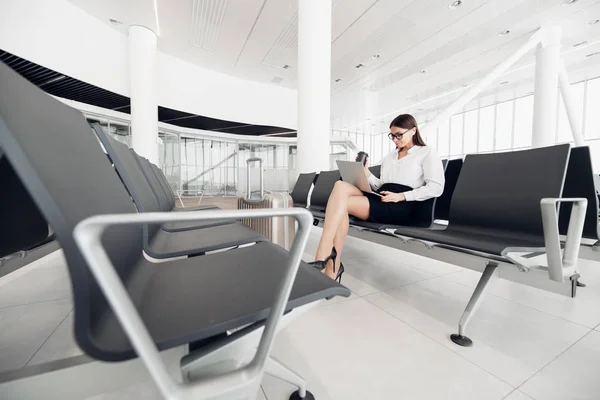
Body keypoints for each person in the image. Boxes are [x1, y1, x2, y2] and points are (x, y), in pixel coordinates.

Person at [309, 114, 445, 282]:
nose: (395, 139)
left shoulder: (426, 152)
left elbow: (436, 187)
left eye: (399, 135)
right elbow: (380, 185)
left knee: (340, 203)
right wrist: (365, 173)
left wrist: (402, 196)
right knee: (340, 186)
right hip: (383, 197)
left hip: (403, 205)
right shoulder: (390, 156)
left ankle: (326, 258)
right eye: (392, 136)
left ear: (413, 131)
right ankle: (331, 264)